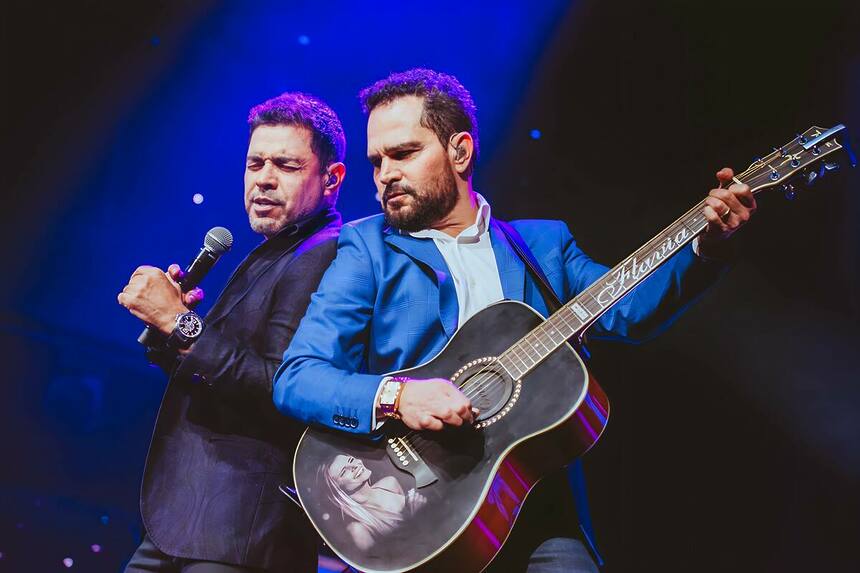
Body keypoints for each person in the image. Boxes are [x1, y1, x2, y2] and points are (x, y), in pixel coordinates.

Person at [273, 68, 755, 572]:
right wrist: (399, 396)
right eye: (376, 161)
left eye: (404, 153)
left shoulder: (543, 246)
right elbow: (298, 378)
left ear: (459, 151)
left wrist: (705, 245)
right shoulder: (367, 248)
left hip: (533, 504)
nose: (385, 174)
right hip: (417, 508)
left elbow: (629, 310)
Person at [117, 92, 347, 573]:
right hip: (194, 524)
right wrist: (171, 333)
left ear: (331, 179)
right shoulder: (279, 250)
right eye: (255, 162)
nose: (263, 178)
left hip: (239, 534)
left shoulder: (323, 254)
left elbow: (281, 387)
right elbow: (217, 374)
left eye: (285, 164)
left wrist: (177, 323)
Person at [319, 454, 427, 551]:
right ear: (337, 489)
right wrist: (417, 517)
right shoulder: (357, 529)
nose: (354, 466)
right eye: (344, 471)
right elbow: (388, 563)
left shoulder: (390, 483)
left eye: (351, 460)